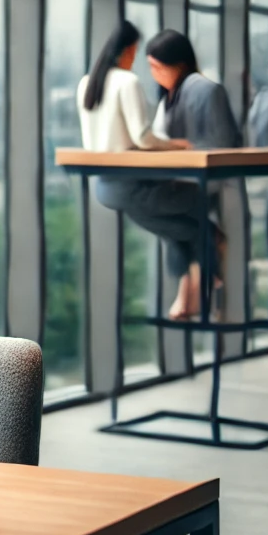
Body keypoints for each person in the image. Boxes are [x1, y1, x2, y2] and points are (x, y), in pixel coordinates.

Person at [75, 21, 204, 320]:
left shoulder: (87, 82)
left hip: (106, 188)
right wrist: (179, 145)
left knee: (183, 230)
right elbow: (143, 138)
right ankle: (212, 276)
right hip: (133, 185)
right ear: (130, 49)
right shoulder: (126, 82)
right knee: (198, 201)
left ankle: (190, 295)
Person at [142, 29, 242, 319]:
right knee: (171, 216)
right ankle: (197, 278)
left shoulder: (206, 90)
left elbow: (224, 144)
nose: (154, 74)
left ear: (180, 64)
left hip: (208, 180)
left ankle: (192, 284)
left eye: (158, 67)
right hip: (182, 178)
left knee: (170, 212)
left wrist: (181, 151)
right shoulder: (169, 97)